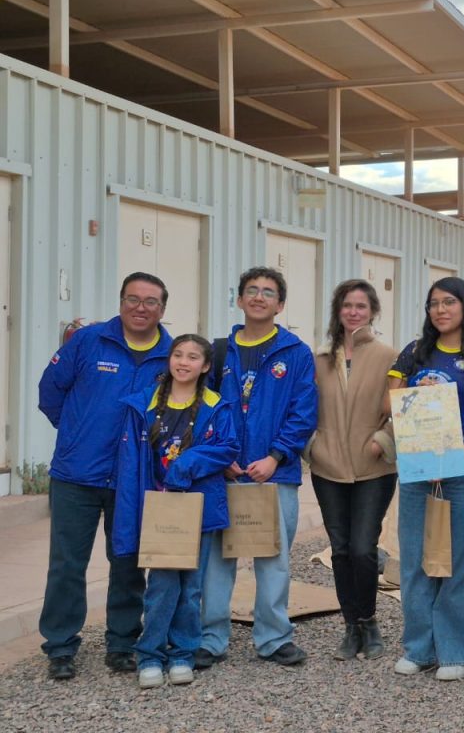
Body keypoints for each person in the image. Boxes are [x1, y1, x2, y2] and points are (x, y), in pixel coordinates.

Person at [37, 272, 173, 681]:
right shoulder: (88, 341)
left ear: (162, 309)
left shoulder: (171, 355)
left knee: (128, 562)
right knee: (67, 564)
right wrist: (75, 433)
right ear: (121, 301)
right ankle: (60, 646)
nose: (140, 308)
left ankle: (122, 643)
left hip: (133, 478)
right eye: (133, 299)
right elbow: (50, 392)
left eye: (150, 301)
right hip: (76, 474)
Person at [198, 267, 317, 668]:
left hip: (274, 473)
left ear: (280, 305)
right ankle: (211, 637)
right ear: (239, 299)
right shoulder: (219, 352)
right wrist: (220, 457)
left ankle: (273, 637)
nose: (259, 297)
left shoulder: (296, 353)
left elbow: (304, 411)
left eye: (268, 292)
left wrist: (276, 455)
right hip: (224, 472)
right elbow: (203, 409)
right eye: (252, 290)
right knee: (218, 559)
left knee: (273, 558)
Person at [388, 277, 464, 680]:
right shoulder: (414, 352)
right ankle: (419, 647)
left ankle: (458, 651)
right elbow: (392, 402)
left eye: (449, 302)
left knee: (462, 562)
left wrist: (457, 454)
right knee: (416, 558)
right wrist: (409, 394)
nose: (440, 310)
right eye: (433, 303)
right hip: (419, 470)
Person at [112, 334, 239, 688]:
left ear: (206, 366)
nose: (184, 362)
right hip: (160, 508)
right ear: (169, 360)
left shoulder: (217, 406)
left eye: (193, 357)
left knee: (191, 587)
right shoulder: (144, 405)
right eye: (178, 355)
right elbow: (132, 461)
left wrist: (187, 463)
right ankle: (151, 655)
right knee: (162, 585)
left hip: (198, 508)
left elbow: (227, 446)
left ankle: (183, 652)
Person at [308, 280, 398, 661]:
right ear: (338, 310)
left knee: (363, 548)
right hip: (327, 466)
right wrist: (311, 446)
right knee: (341, 550)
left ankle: (369, 620)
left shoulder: (389, 356)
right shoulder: (320, 358)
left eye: (361, 306)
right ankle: (351, 625)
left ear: (373, 311)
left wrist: (384, 439)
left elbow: (403, 407)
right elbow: (301, 406)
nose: (353, 312)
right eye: (347, 305)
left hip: (373, 467)